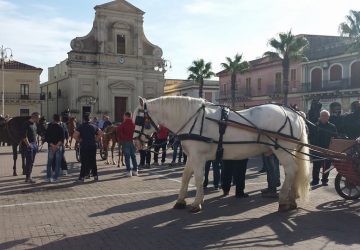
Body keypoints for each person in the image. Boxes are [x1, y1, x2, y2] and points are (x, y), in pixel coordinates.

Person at [311, 110, 338, 186]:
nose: (324, 117)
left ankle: (324, 180)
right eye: (322, 116)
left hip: (328, 149)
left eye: (326, 116)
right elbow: (311, 137)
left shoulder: (332, 126)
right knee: (316, 165)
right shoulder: (315, 126)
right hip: (317, 149)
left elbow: (335, 138)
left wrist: (332, 148)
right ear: (320, 117)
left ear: (328, 117)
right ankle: (315, 180)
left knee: (327, 166)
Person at [74, 113, 102, 182]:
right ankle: (95, 176)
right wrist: (96, 139)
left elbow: (74, 135)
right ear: (90, 119)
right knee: (93, 161)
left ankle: (82, 177)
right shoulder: (94, 126)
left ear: (83, 119)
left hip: (84, 146)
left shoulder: (81, 126)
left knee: (84, 162)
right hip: (92, 146)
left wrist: (79, 140)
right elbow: (101, 133)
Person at [117, 111, 138, 177]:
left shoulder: (123, 124)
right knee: (133, 156)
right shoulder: (134, 124)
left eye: (124, 116)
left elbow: (119, 131)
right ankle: (135, 171)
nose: (123, 117)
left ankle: (129, 171)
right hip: (133, 141)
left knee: (127, 157)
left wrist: (122, 139)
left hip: (125, 142)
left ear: (126, 116)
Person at [45, 114, 65, 182]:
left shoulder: (49, 127)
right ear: (59, 119)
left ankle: (48, 178)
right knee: (57, 163)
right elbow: (62, 139)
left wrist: (52, 145)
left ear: (53, 119)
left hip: (51, 147)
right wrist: (56, 146)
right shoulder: (61, 128)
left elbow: (47, 138)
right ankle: (55, 178)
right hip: (58, 147)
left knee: (49, 163)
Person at [22, 112, 40, 183]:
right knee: (29, 162)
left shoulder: (35, 124)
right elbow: (23, 136)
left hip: (34, 144)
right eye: (38, 117)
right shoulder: (26, 124)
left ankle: (29, 176)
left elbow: (35, 134)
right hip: (28, 145)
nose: (39, 119)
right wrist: (28, 145)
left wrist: (36, 144)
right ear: (34, 117)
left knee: (32, 162)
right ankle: (28, 178)